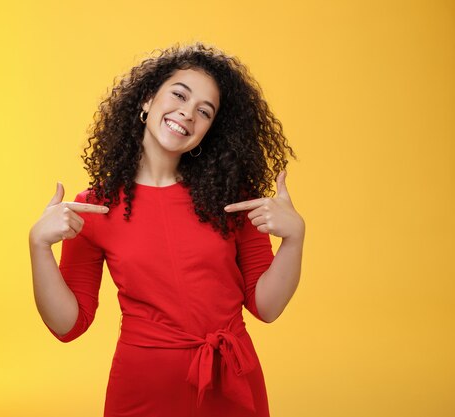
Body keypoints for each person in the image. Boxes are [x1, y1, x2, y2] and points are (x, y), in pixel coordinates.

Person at [28, 42, 305, 417]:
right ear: (146, 99)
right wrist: (39, 245)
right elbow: (68, 325)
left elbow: (266, 307)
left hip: (231, 381)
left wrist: (293, 238)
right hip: (142, 388)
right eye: (179, 94)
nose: (187, 114)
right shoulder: (94, 206)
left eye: (204, 111)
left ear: (209, 130)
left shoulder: (233, 199)